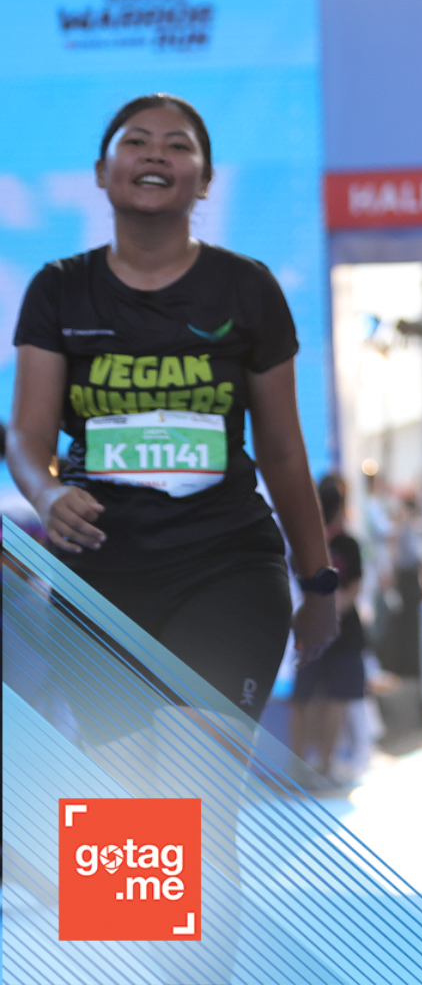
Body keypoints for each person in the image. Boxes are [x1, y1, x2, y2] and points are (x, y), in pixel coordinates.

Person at [7, 93, 338, 723]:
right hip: (100, 577)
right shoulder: (59, 289)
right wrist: (47, 496)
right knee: (124, 785)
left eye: (178, 145)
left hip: (228, 567)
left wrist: (318, 581)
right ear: (102, 172)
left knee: (201, 768)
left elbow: (282, 449)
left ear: (205, 182)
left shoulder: (247, 288)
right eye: (136, 141)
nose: (155, 154)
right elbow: (27, 436)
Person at [290, 474, 369, 785]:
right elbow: (354, 587)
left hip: (330, 630)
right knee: (315, 699)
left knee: (322, 699)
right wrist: (330, 610)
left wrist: (326, 609)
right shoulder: (331, 543)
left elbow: (350, 587)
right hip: (326, 629)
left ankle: (317, 765)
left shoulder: (331, 543)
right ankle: (313, 766)